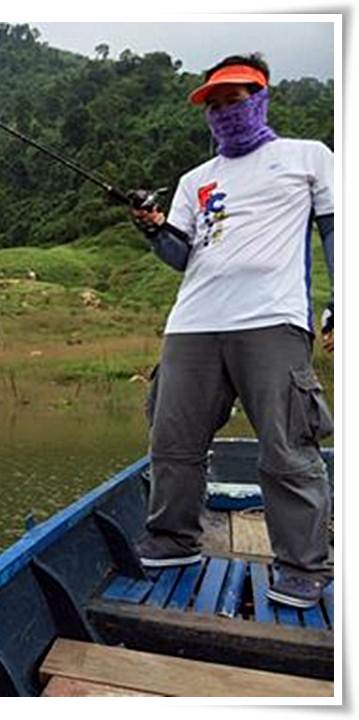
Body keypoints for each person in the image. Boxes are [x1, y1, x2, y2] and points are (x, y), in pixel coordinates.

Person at [130, 54, 335, 609]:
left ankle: (302, 565)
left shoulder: (307, 157)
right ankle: (173, 539)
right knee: (172, 442)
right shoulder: (196, 180)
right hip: (192, 323)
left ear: (262, 96)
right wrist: (154, 230)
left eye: (234, 98)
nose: (223, 111)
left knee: (287, 447)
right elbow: (180, 254)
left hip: (272, 319)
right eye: (214, 104)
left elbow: (335, 233)